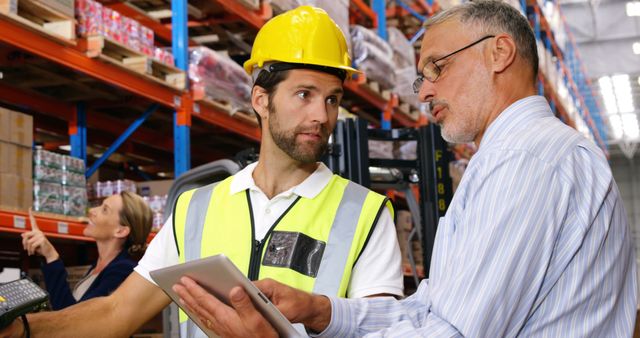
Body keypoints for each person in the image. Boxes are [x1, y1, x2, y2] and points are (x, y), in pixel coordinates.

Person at [172, 1, 638, 337]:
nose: (424, 91)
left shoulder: (528, 161)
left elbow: (453, 332)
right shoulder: (507, 161)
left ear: (499, 53)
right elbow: (434, 308)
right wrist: (321, 312)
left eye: (436, 67)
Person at [0, 6, 403, 338]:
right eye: (304, 94)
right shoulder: (196, 209)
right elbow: (115, 313)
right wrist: (22, 330)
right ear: (261, 99)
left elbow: (382, 331)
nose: (322, 115)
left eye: (332, 99)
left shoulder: (365, 215)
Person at [21, 191, 153, 310]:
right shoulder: (100, 267)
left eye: (104, 210)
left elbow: (73, 320)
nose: (91, 210)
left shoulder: (122, 272)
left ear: (121, 231)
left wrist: (52, 257)